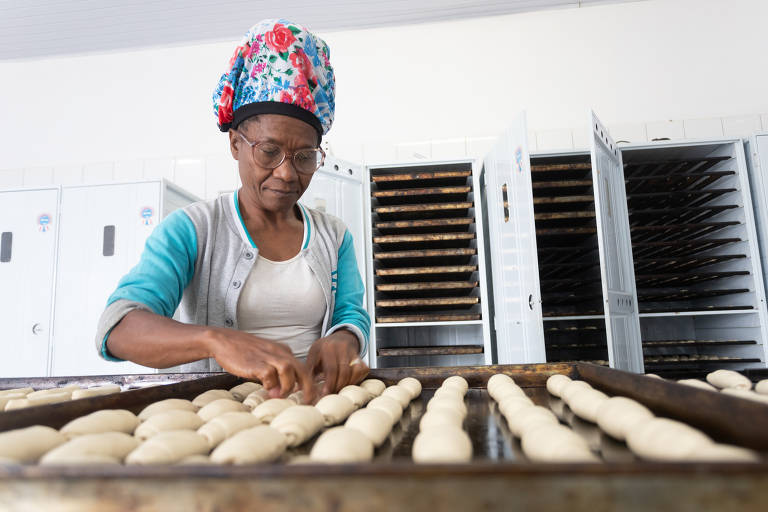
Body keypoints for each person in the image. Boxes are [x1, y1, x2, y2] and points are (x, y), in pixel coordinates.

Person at [94, 19, 370, 404]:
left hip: (313, 409)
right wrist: (215, 340)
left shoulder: (333, 236)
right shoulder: (192, 229)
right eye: (269, 151)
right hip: (219, 419)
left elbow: (351, 315)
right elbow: (118, 328)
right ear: (236, 144)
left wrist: (344, 339)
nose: (287, 173)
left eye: (305, 156)